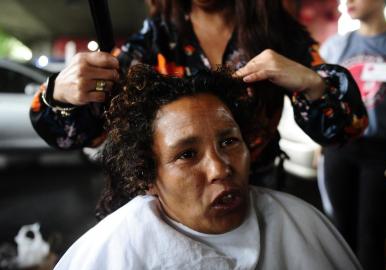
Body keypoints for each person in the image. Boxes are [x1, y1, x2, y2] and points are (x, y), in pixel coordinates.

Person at [53, 64, 361, 269]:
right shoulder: (113, 253)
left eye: (229, 142)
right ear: (148, 174)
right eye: (187, 154)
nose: (220, 169)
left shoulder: (302, 227)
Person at [30, 0, 368, 186]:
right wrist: (60, 95)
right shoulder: (157, 37)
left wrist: (314, 84)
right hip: (182, 198)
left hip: (258, 189)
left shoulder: (276, 28)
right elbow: (85, 134)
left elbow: (345, 129)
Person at [318, 0, 386, 269]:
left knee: (372, 240)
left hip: (385, 155)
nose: (349, 1)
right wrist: (321, 143)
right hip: (341, 149)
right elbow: (324, 102)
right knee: (340, 237)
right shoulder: (335, 47)